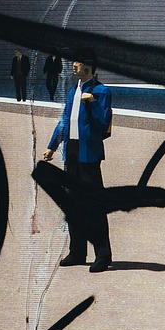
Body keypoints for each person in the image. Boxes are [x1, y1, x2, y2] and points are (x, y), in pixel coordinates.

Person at [40, 55, 114, 271]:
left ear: (89, 67)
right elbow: (65, 121)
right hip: (71, 153)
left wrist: (91, 103)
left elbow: (102, 124)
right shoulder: (73, 90)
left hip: (88, 155)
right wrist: (52, 146)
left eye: (79, 62)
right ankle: (77, 251)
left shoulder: (101, 92)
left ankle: (103, 254)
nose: (74, 65)